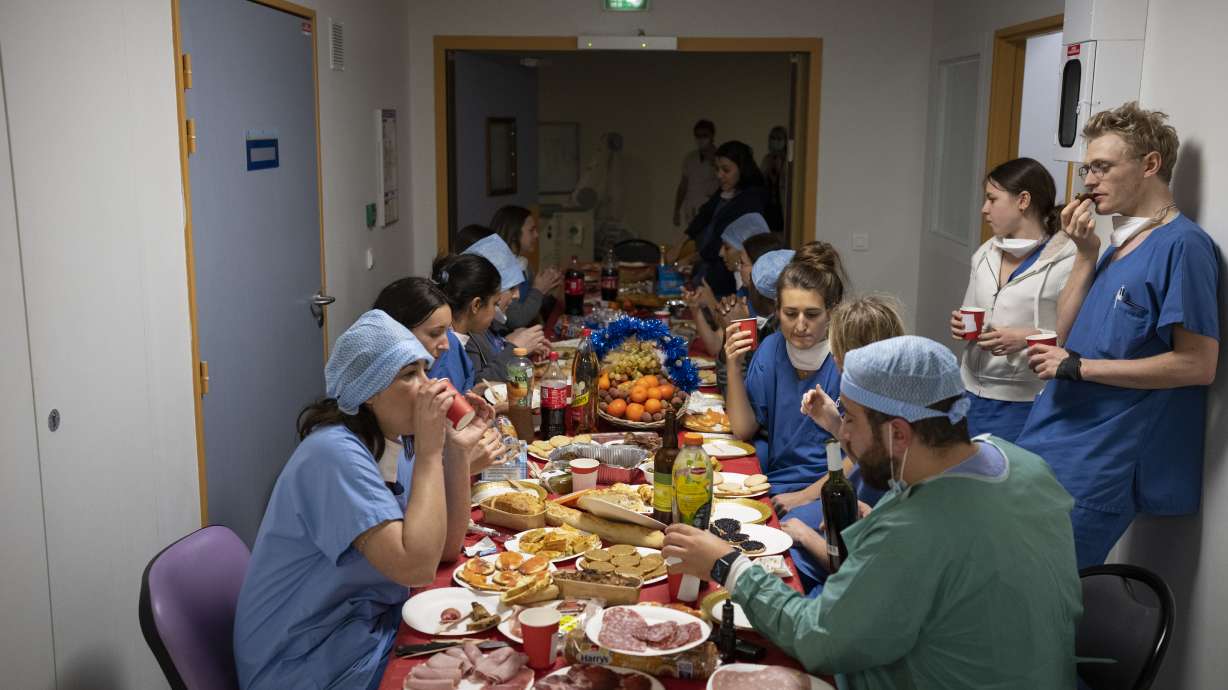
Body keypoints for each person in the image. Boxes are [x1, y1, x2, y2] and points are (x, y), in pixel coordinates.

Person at [663, 336, 1083, 689]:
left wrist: (728, 565)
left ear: (899, 433)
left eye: (850, 418)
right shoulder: (1020, 463)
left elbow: (817, 638)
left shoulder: (914, 532)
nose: (842, 432)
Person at [234, 310, 498, 690]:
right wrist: (429, 452)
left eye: (425, 371)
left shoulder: (392, 443)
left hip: (363, 629)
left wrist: (454, 453)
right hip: (304, 661)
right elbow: (417, 568)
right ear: (369, 390)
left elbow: (443, 549)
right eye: (410, 375)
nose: (427, 387)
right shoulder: (332, 455)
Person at [1016, 102, 1220, 568]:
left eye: (1102, 167)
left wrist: (1080, 366)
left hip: (1099, 463)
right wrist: (1085, 255)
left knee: (1045, 593)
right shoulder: (1119, 243)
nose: (1088, 180)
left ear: (1150, 165)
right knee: (1011, 582)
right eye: (1088, 168)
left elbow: (1197, 364)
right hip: (1052, 439)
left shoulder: (1183, 247)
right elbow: (1061, 336)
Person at [948, 157, 1076, 442]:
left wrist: (1025, 337)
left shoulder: (1068, 260)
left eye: (992, 199)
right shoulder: (985, 253)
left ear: (1023, 200)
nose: (984, 209)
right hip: (969, 392)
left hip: (1024, 402)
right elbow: (973, 312)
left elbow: (1079, 341)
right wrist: (961, 324)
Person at [785, 295, 905, 593]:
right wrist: (833, 422)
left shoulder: (891, 426)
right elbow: (868, 456)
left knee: (790, 541)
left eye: (836, 349)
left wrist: (805, 536)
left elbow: (860, 568)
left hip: (864, 572)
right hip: (861, 535)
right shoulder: (888, 401)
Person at [724, 243, 845, 517]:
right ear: (776, 311)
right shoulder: (772, 349)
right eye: (790, 314)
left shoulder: (845, 359)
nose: (800, 325)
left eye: (812, 315)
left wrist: (802, 497)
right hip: (780, 482)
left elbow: (859, 458)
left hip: (832, 486)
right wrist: (733, 365)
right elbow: (743, 429)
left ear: (831, 312)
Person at [684, 140, 769, 297]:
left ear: (742, 170)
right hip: (712, 268)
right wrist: (681, 244)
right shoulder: (726, 191)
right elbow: (704, 216)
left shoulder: (751, 198)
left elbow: (727, 240)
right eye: (717, 169)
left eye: (726, 170)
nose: (719, 175)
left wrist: (695, 257)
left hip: (726, 275)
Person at [462, 233, 550, 358]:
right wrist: (513, 348)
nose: (517, 295)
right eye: (512, 288)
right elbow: (481, 376)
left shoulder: (491, 325)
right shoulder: (470, 334)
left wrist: (510, 344)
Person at [490, 205, 561, 329]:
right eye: (531, 230)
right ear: (514, 234)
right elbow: (516, 320)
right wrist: (538, 290)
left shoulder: (523, 263)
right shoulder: (499, 269)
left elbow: (531, 306)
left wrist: (546, 288)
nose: (537, 235)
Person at [673, 119, 720, 229]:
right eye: (698, 136)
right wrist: (676, 210)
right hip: (693, 209)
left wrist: (713, 162)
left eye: (705, 135)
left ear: (712, 136)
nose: (701, 139)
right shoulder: (690, 158)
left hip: (712, 210)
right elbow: (683, 185)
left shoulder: (721, 157)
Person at [760, 125, 789, 231]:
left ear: (785, 141)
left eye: (779, 139)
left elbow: (788, 182)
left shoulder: (788, 160)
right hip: (768, 205)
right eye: (773, 138)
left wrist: (780, 170)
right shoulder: (766, 159)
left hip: (781, 205)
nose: (775, 141)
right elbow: (761, 180)